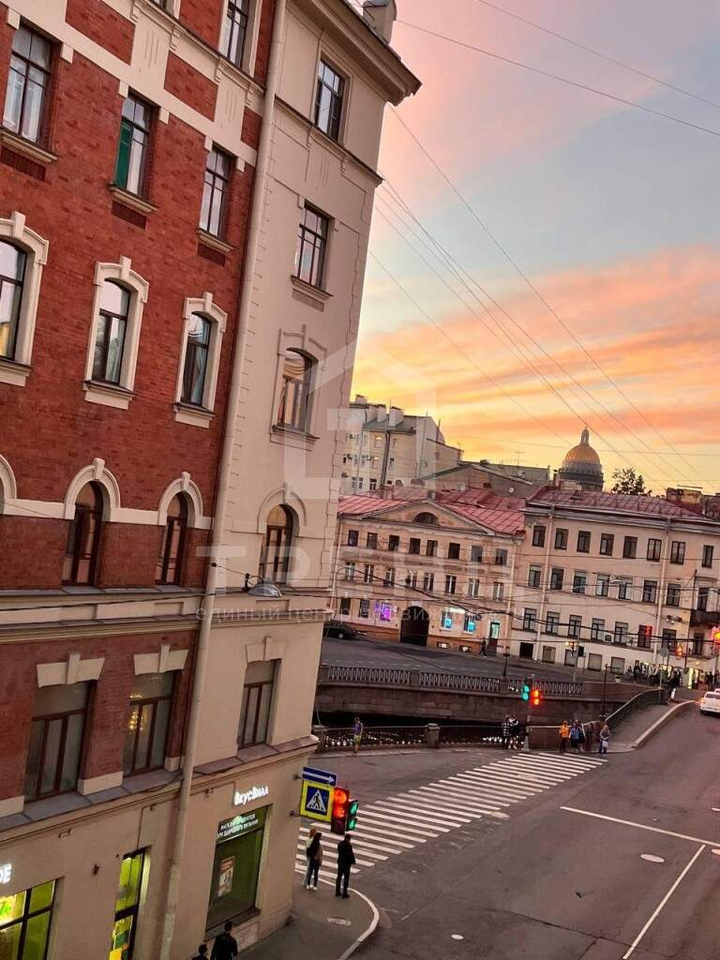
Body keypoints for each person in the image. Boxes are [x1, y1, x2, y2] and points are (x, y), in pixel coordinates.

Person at [336, 833, 356, 898]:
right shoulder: (349, 845)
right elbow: (350, 854)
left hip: (340, 862)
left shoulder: (340, 844)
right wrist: (353, 861)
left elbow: (338, 850)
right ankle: (345, 893)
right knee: (346, 878)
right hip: (346, 864)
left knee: (339, 877)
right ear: (348, 839)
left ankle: (337, 891)